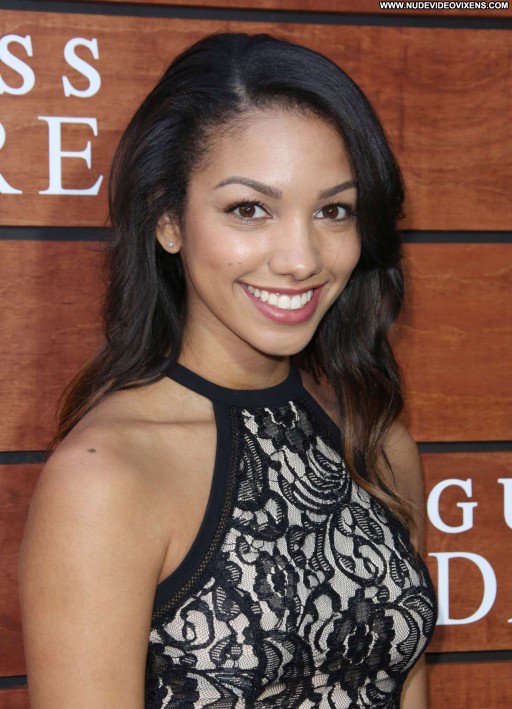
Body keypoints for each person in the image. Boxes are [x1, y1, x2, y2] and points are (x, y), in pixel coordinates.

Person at [19, 32, 436, 708]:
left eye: (333, 210)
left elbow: (405, 684)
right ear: (167, 219)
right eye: (249, 209)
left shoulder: (374, 439)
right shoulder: (107, 477)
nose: (302, 259)